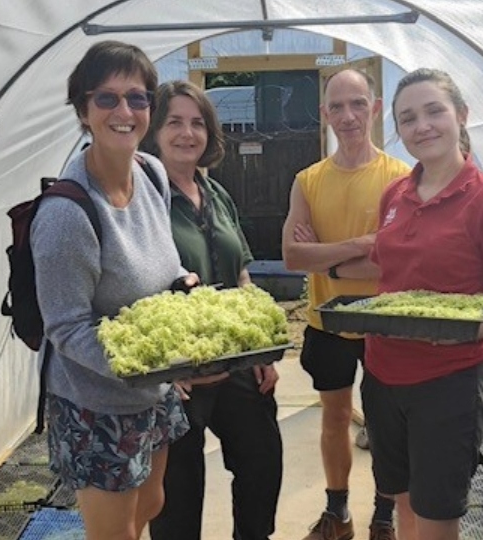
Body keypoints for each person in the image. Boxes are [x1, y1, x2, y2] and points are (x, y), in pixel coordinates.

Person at [31, 40, 198, 540]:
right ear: (83, 110)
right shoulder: (67, 215)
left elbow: (159, 264)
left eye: (138, 97)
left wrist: (181, 286)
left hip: (152, 390)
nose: (124, 111)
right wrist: (149, 363)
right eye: (106, 99)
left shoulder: (151, 175)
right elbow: (66, 328)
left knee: (153, 500)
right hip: (94, 401)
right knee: (115, 532)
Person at [361, 68, 483, 540]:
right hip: (381, 375)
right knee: (403, 502)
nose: (422, 126)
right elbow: (391, 274)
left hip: (447, 384)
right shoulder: (395, 196)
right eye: (408, 118)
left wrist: (457, 330)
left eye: (434, 110)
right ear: (398, 131)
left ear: (461, 115)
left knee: (437, 513)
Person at [143, 80, 283, 540]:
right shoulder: (141, 197)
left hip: (236, 363)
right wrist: (163, 367)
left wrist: (260, 350)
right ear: (154, 131)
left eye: (197, 123)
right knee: (178, 500)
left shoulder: (214, 192)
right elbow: (129, 289)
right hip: (180, 375)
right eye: (175, 122)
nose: (188, 133)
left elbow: (241, 274)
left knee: (262, 465)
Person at [282, 68, 410, 540]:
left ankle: (383, 515)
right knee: (334, 417)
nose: (348, 115)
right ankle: (338, 514)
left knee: (385, 425)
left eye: (358, 104)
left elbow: (396, 264)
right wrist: (361, 243)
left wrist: (328, 261)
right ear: (324, 115)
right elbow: (293, 255)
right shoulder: (308, 181)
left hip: (384, 323)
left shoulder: (400, 179)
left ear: (375, 109)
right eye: (337, 106)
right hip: (327, 323)